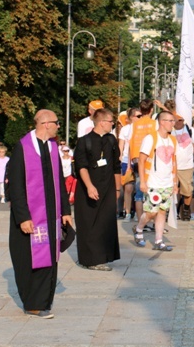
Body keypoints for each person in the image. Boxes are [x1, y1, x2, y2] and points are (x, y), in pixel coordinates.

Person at [8, 109, 73, 319]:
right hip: (30, 217)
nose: (58, 126)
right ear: (45, 124)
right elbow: (16, 186)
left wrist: (65, 210)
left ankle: (44, 301)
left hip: (51, 215)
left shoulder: (53, 147)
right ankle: (33, 303)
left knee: (49, 258)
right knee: (30, 259)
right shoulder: (23, 148)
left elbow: (60, 182)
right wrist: (23, 217)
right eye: (56, 122)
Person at [73, 108, 121, 271]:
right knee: (88, 223)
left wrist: (117, 189)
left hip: (107, 187)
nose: (112, 124)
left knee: (105, 222)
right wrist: (89, 186)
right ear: (101, 122)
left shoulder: (111, 140)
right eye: (110, 121)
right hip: (88, 187)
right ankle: (89, 259)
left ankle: (103, 256)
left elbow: (116, 166)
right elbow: (81, 166)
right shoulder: (84, 141)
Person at [133, 111, 178, 251]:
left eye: (173, 121)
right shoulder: (151, 138)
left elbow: (173, 162)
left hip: (167, 183)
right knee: (151, 212)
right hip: (152, 182)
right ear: (162, 122)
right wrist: (142, 182)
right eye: (170, 121)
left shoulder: (172, 140)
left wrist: (175, 182)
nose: (172, 124)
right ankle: (139, 229)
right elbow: (141, 160)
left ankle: (159, 240)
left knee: (162, 211)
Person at [174, 114, 194, 222]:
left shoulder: (190, 130)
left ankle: (185, 210)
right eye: (177, 120)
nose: (179, 122)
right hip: (172, 165)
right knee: (173, 191)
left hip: (187, 166)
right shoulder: (169, 130)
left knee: (188, 191)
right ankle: (171, 212)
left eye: (181, 120)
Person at [119, 107, 141, 221]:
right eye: (138, 116)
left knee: (139, 188)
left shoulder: (143, 129)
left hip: (140, 161)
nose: (140, 118)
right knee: (128, 188)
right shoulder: (125, 129)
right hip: (127, 160)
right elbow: (121, 145)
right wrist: (120, 156)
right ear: (131, 117)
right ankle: (127, 212)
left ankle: (138, 213)